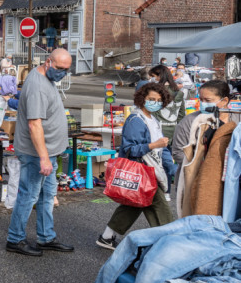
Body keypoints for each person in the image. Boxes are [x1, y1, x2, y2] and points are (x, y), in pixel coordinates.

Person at [6, 48, 74, 256]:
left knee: (46, 195)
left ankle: (46, 237)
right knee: (29, 195)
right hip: (37, 153)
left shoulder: (46, 79)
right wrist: (44, 158)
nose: (63, 73)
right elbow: (34, 125)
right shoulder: (37, 86)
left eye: (67, 70)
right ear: (48, 62)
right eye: (60, 68)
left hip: (48, 152)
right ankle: (15, 239)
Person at [96, 83, 175, 250]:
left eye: (159, 100)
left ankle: (106, 237)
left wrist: (170, 167)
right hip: (143, 171)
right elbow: (130, 149)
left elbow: (162, 149)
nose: (155, 102)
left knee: (134, 204)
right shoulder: (136, 120)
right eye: (151, 99)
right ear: (142, 99)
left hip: (149, 170)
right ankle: (169, 243)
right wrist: (153, 145)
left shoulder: (153, 120)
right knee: (160, 208)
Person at [171, 80, 231, 166]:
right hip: (195, 176)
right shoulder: (189, 121)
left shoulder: (236, 120)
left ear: (224, 101)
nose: (203, 103)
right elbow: (178, 152)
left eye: (208, 100)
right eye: (201, 100)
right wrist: (200, 166)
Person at [147, 65, 185, 196]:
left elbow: (153, 113)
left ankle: (168, 189)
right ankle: (166, 191)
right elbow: (181, 115)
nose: (152, 79)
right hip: (173, 131)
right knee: (166, 162)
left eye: (153, 76)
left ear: (159, 76)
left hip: (159, 131)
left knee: (163, 163)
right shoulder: (179, 92)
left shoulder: (157, 92)